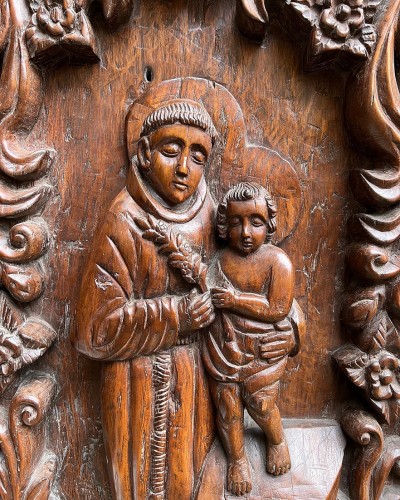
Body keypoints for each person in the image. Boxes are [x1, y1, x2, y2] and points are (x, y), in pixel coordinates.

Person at [73, 99, 298, 499]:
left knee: (198, 482)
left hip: (203, 379)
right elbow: (93, 328)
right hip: (138, 383)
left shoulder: (214, 213)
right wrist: (177, 313)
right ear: (143, 154)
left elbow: (253, 277)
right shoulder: (123, 221)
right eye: (171, 150)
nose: (183, 168)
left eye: (197, 156)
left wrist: (291, 329)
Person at [202, 182, 299, 496]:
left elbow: (278, 308)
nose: (245, 232)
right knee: (227, 406)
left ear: (269, 223)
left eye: (255, 222)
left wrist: (234, 300)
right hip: (225, 350)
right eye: (236, 223)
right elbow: (207, 292)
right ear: (224, 226)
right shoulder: (220, 261)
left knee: (261, 402)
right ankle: (237, 459)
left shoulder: (277, 263)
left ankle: (276, 439)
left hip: (262, 350)